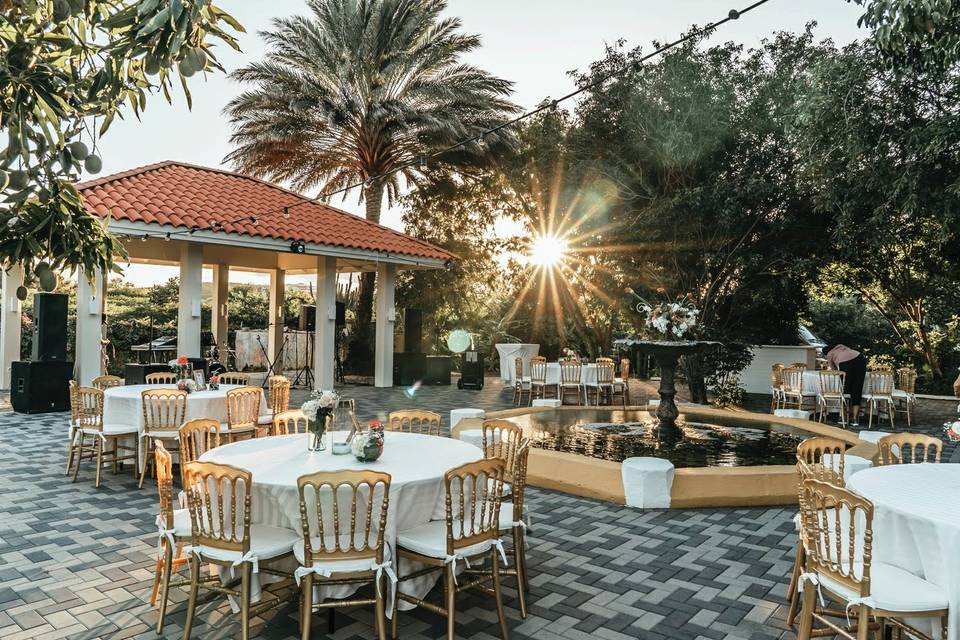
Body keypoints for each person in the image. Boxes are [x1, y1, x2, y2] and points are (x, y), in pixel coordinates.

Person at [824, 344, 867, 427]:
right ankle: (855, 419)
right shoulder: (841, 347)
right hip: (860, 358)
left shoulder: (829, 354)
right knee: (857, 387)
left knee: (846, 389)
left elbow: (834, 370)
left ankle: (843, 417)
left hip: (845, 363)